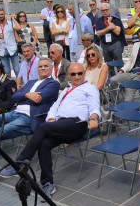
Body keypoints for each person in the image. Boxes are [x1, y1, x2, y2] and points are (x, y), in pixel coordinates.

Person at [14, 63, 101, 196]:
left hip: (77, 124)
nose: (77, 76)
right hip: (61, 125)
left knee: (42, 128)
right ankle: (48, 183)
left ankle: (21, 162)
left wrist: (94, 118)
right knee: (44, 144)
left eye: (80, 73)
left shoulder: (90, 88)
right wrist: (51, 119)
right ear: (69, 76)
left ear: (84, 73)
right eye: (73, 74)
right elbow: (55, 106)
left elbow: (95, 106)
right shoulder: (66, 90)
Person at [0, 57, 60, 189]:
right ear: (37, 69)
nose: (43, 68)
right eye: (40, 66)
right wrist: (26, 95)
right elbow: (14, 97)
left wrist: (24, 94)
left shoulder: (53, 84)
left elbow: (39, 98)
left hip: (29, 117)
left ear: (51, 67)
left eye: (45, 66)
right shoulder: (31, 82)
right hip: (15, 112)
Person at [0, 7, 19, 77]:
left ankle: (21, 83)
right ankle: (9, 83)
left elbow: (18, 28)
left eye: (2, 14)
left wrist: (13, 19)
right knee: (6, 71)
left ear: (4, 14)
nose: (0, 16)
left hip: (12, 49)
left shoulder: (10, 23)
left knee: (17, 69)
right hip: (2, 51)